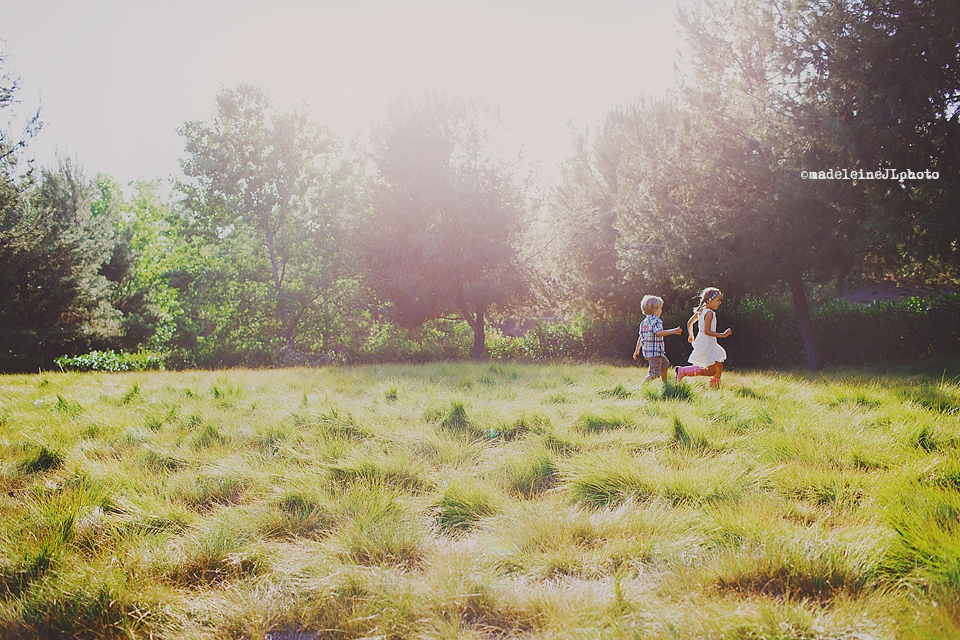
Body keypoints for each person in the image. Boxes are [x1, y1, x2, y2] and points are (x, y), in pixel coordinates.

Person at [676, 287, 732, 387]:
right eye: (718, 300)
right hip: (706, 342)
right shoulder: (709, 313)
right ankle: (683, 371)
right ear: (710, 301)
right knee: (711, 371)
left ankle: (714, 384)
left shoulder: (701, 311)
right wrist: (722, 335)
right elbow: (707, 331)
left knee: (719, 364)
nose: (719, 303)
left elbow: (689, 323)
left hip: (708, 342)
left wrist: (691, 335)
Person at [633, 295, 683, 383]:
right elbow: (658, 333)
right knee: (654, 373)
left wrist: (637, 350)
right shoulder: (656, 321)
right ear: (654, 310)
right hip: (655, 353)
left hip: (650, 352)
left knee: (665, 364)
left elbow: (641, 337)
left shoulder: (643, 323)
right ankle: (641, 387)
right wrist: (674, 331)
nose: (661, 310)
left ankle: (665, 383)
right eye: (660, 308)